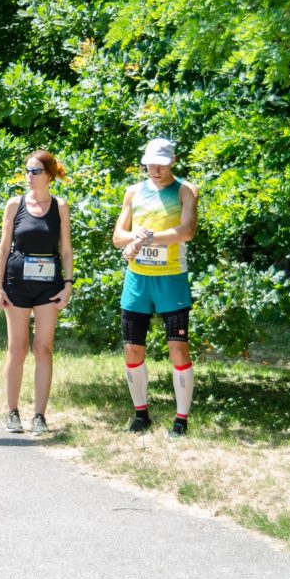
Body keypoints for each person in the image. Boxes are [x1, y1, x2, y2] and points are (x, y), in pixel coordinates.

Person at [112, 138, 198, 437]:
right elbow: (118, 237)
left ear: (172, 160)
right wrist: (135, 236)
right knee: (132, 350)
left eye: (161, 162)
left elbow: (186, 232)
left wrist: (146, 238)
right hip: (137, 282)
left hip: (172, 280)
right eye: (150, 162)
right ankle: (140, 416)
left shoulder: (185, 190)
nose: (155, 169)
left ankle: (181, 419)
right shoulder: (133, 191)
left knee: (178, 350)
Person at [0, 150, 73, 435]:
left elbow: (65, 249)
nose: (29, 176)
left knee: (43, 348)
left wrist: (68, 284)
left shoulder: (60, 206)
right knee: (17, 349)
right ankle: (12, 411)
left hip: (49, 282)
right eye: (27, 170)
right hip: (17, 280)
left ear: (49, 175)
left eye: (35, 171)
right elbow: (3, 247)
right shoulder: (14, 205)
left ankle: (39, 415)